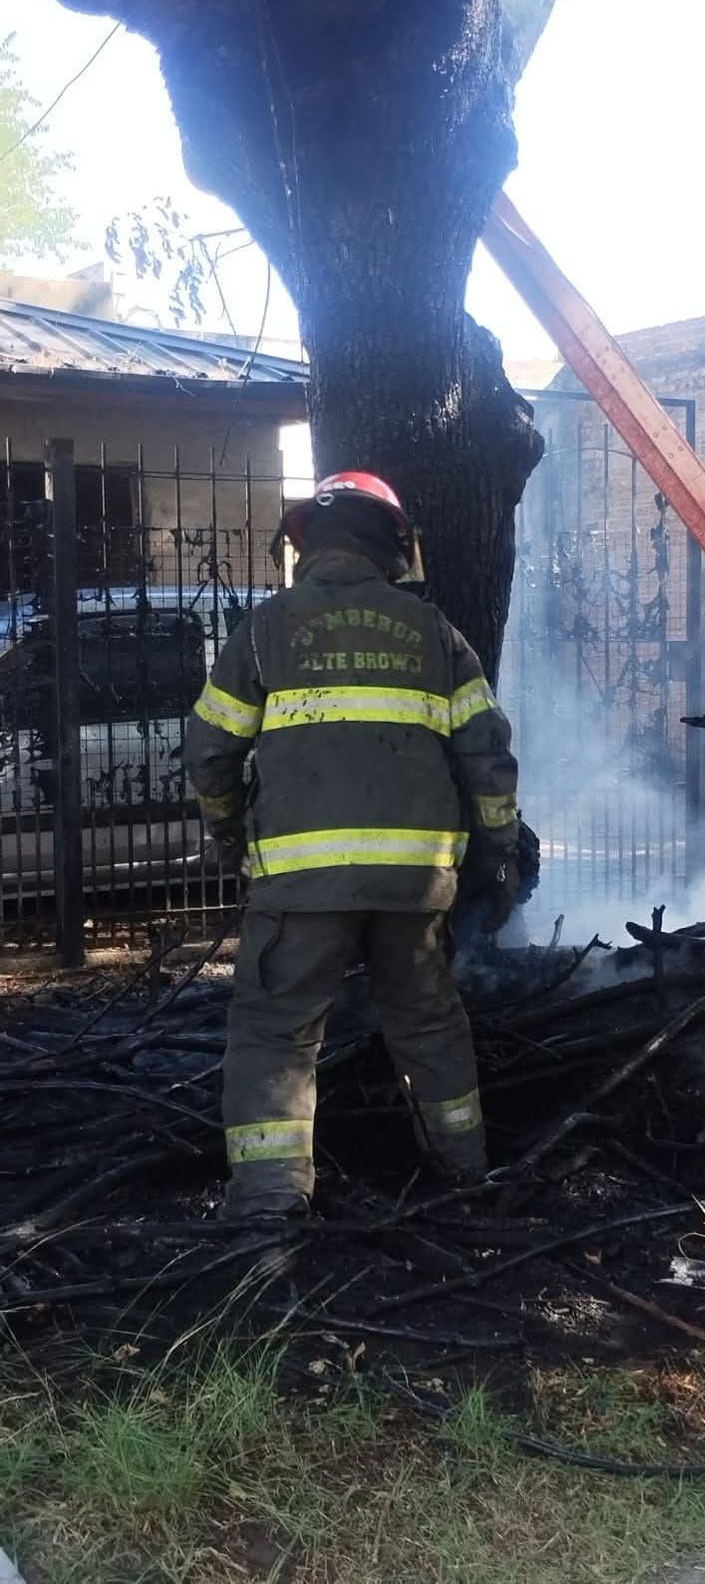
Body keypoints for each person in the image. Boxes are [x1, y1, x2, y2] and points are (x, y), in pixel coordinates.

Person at [184, 470, 520, 1218]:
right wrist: (495, 849)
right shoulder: (435, 633)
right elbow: (489, 756)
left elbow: (208, 751)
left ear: (306, 542)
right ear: (396, 545)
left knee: (277, 1032)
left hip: (301, 889)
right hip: (415, 886)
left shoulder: (266, 630)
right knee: (429, 1024)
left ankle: (269, 1207)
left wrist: (231, 833)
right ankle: (464, 1172)